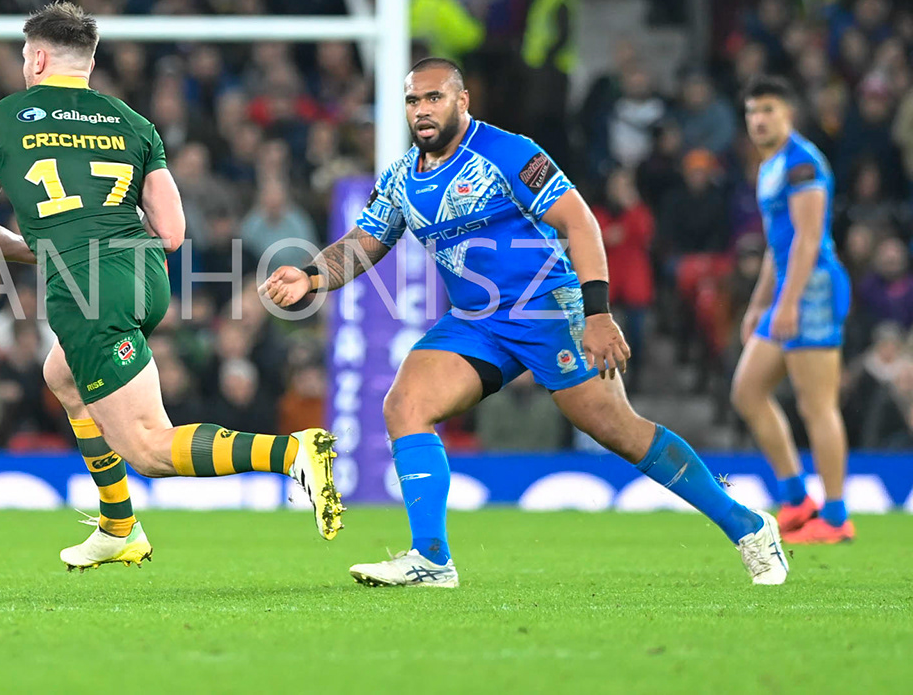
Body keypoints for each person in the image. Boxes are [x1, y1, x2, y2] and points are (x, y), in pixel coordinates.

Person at [262, 57, 786, 587]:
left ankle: (748, 527)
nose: (421, 110)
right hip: (475, 321)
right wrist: (310, 276)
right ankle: (431, 559)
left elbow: (579, 220)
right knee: (405, 404)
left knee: (620, 432)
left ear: (462, 101)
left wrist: (599, 312)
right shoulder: (401, 178)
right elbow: (364, 242)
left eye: (434, 98)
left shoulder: (507, 152)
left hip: (547, 312)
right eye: (412, 101)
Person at [0, 1, 342, 572]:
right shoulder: (134, 123)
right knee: (61, 374)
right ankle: (117, 526)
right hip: (146, 277)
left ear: (36, 58)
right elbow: (174, 232)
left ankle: (292, 451)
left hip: (87, 285)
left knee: (148, 448)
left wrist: (45, 247)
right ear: (88, 62)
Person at [729, 76, 855, 544]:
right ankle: (798, 500)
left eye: (768, 110)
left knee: (816, 405)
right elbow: (775, 246)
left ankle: (837, 517)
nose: (759, 120)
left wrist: (788, 302)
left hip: (813, 288)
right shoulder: (770, 166)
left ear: (789, 114)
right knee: (746, 391)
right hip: (787, 288)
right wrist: (759, 303)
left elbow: (807, 238)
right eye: (752, 112)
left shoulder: (802, 164)